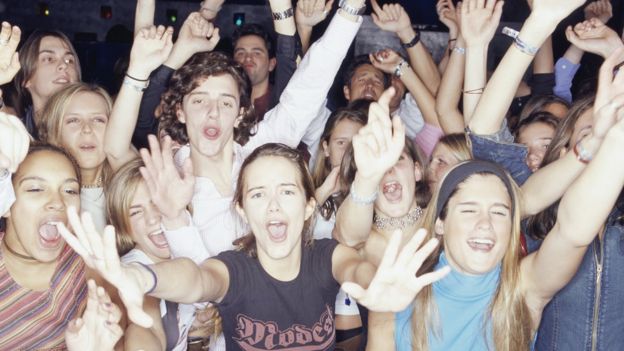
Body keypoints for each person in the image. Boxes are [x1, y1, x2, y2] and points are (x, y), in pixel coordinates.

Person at [58, 142, 450, 350]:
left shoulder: (326, 256)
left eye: (287, 191)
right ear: (243, 210)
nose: (275, 205)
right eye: (259, 195)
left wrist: (378, 280)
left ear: (310, 204)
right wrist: (139, 275)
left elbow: (355, 269)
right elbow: (196, 279)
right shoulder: (235, 269)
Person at [0, 121, 88, 349]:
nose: (58, 202)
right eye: (36, 189)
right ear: (6, 204)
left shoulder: (86, 260)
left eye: (70, 191)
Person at [12, 28, 81, 136]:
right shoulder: (14, 135)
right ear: (26, 79)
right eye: (49, 59)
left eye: (69, 60)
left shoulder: (96, 128)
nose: (64, 65)